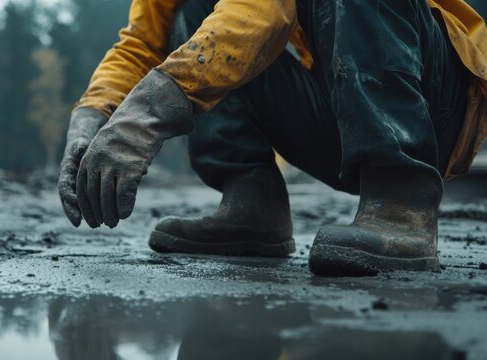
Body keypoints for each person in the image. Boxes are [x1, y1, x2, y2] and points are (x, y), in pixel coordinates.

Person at [58, 0, 487, 276]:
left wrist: (145, 115)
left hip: (431, 100)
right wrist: (91, 118)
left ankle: (402, 206)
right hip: (343, 105)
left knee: (241, 26)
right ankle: (253, 205)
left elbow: (264, 11)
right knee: (191, 15)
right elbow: (140, 44)